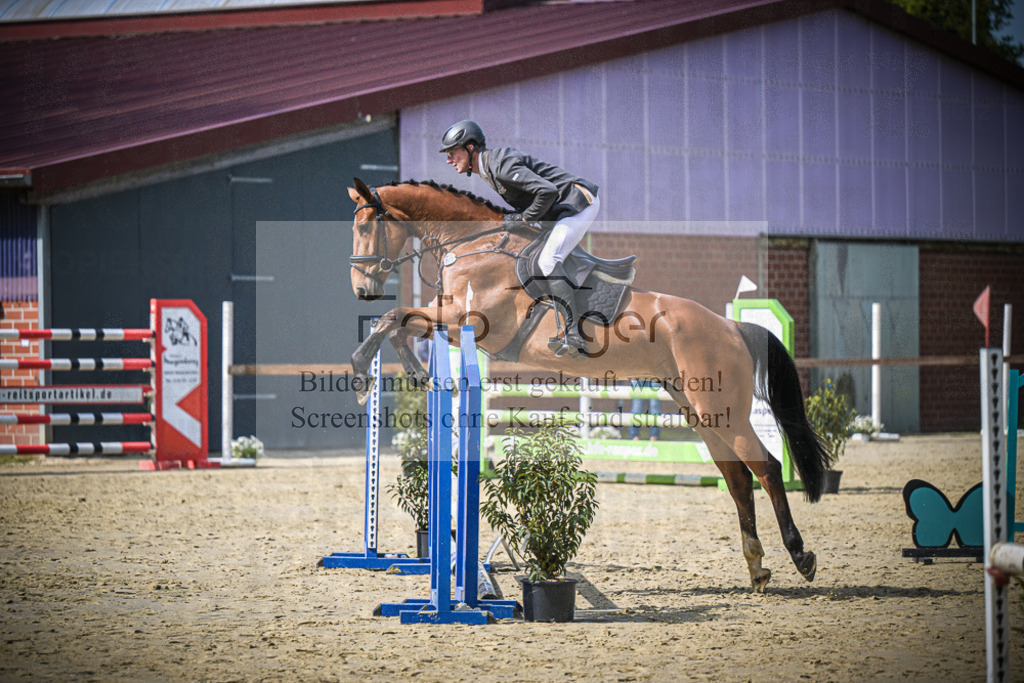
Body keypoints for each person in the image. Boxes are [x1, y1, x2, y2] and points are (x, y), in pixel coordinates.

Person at [439, 119, 600, 358]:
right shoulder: (488, 168)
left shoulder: (500, 165)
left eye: (453, 153)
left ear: (470, 148)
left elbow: (547, 191)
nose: (449, 160)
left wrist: (524, 218)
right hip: (557, 210)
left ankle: (573, 332)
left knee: (547, 262)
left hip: (577, 204)